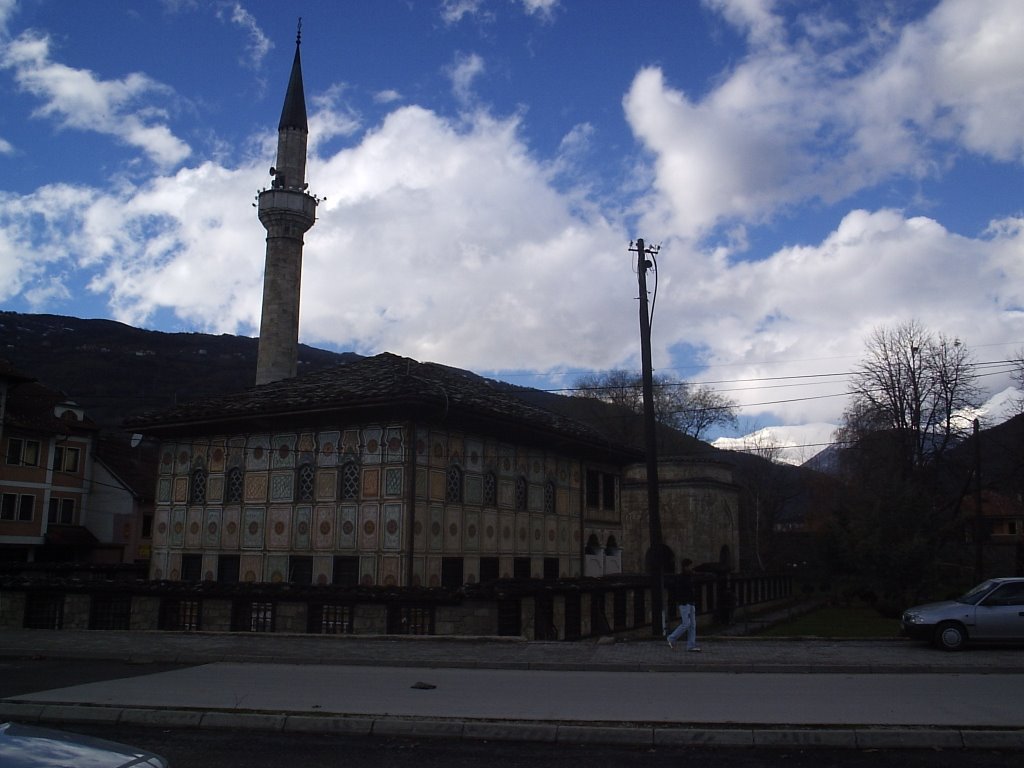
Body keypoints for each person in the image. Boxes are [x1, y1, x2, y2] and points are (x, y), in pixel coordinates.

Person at [666, 559, 701, 652]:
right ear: (685, 567)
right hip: (685, 603)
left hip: (691, 602)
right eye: (689, 566)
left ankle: (691, 645)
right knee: (686, 623)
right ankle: (671, 638)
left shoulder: (690, 577)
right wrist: (683, 601)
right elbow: (680, 591)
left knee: (692, 625)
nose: (691, 568)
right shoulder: (681, 578)